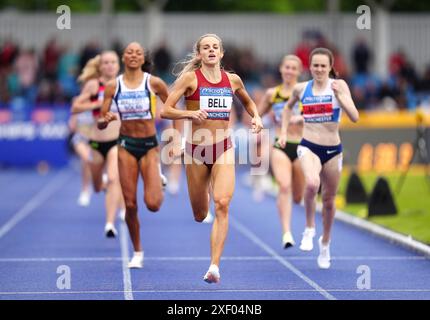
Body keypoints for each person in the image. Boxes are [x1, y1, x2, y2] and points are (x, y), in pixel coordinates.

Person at [161, 34, 263, 283]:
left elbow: (249, 102)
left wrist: (257, 117)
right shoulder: (189, 79)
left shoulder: (233, 79)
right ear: (199, 54)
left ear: (221, 53)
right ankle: (206, 187)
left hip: (223, 147)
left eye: (214, 47)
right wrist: (190, 114)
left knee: (222, 204)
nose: (210, 50)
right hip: (196, 151)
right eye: (205, 47)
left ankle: (214, 267)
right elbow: (165, 109)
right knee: (200, 213)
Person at [278, 47, 359, 269]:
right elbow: (286, 109)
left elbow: (354, 116)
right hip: (309, 146)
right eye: (315, 65)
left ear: (331, 67)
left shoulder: (338, 86)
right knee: (312, 183)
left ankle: (325, 243)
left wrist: (342, 98)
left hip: (333, 149)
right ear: (310, 67)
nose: (319, 69)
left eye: (324, 65)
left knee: (329, 200)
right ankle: (309, 229)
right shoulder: (301, 88)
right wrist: (284, 131)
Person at [98, 42, 169, 269]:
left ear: (143, 58)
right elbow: (100, 121)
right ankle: (138, 251)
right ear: (123, 57)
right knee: (130, 204)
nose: (133, 55)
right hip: (126, 145)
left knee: (153, 204)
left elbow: (172, 109)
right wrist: (105, 120)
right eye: (129, 52)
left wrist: (176, 138)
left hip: (149, 146)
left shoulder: (153, 83)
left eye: (138, 52)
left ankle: (157, 175)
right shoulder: (113, 86)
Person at [71, 51, 125, 237]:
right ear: (100, 66)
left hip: (116, 141)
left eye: (113, 62)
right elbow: (75, 107)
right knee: (97, 186)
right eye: (106, 63)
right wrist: (97, 104)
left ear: (118, 65)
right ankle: (103, 188)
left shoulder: (123, 84)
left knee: (113, 178)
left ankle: (110, 224)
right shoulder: (94, 85)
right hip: (96, 142)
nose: (110, 66)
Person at [258, 55, 305, 249]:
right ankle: (287, 233)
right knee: (284, 186)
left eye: (294, 68)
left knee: (298, 197)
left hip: (303, 145)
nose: (290, 71)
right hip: (281, 144)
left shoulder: (305, 92)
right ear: (281, 68)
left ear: (299, 71)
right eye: (287, 67)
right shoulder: (272, 94)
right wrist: (257, 125)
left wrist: (300, 119)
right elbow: (256, 114)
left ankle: (297, 203)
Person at [68, 111, 93, 207]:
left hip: (94, 140)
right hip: (80, 139)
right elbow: (72, 126)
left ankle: (98, 179)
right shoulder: (78, 102)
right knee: (87, 159)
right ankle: (85, 190)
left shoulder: (98, 102)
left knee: (94, 161)